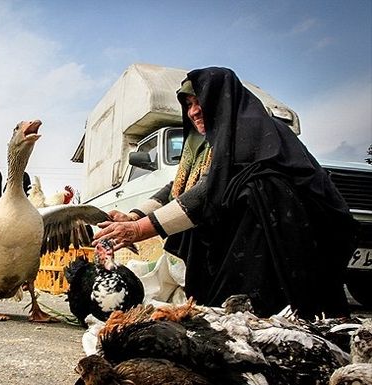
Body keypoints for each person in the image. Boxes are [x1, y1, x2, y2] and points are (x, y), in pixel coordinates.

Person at [94, 67, 358, 319]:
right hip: (243, 243)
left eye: (200, 102)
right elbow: (179, 186)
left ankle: (272, 304)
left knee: (258, 188)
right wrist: (134, 215)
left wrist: (140, 230)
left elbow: (210, 191)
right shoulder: (206, 140)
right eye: (188, 105)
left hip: (291, 241)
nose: (194, 112)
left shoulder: (251, 131)